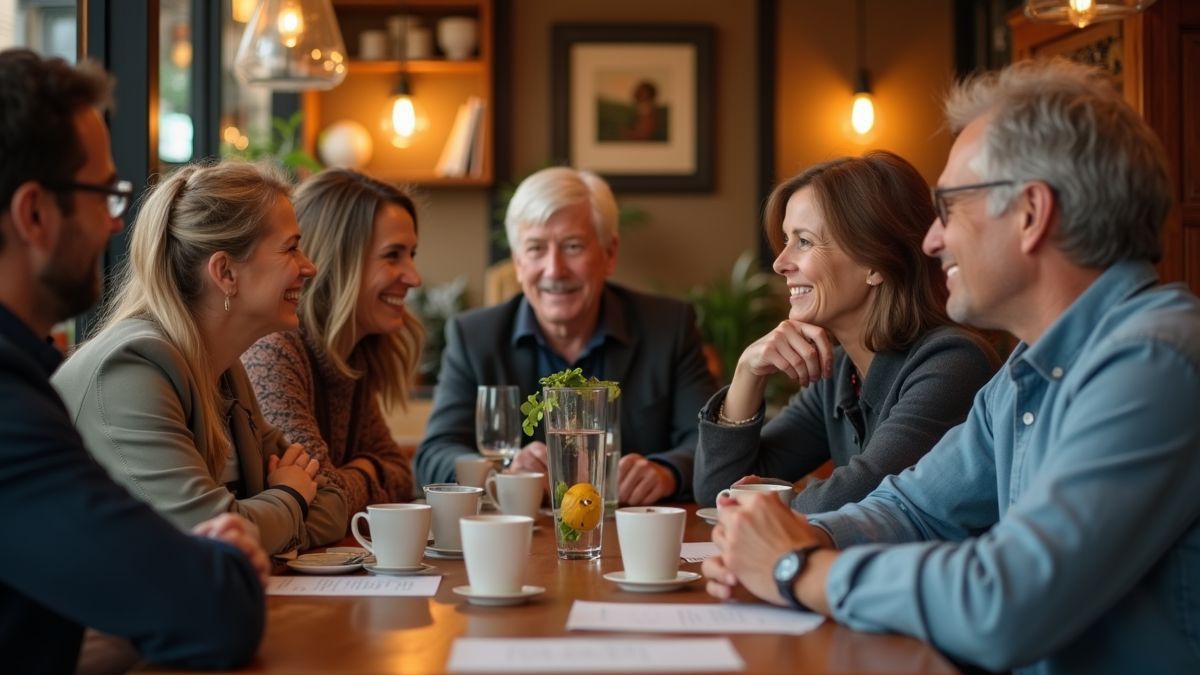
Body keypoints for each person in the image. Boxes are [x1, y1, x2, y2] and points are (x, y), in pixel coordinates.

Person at [703, 58, 1200, 674]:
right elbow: (914, 507)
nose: (932, 242)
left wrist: (797, 567)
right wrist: (797, 539)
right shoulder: (1026, 371)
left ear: (1030, 212)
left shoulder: (1155, 361)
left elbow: (1006, 602)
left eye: (951, 208)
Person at [0, 48, 266, 671]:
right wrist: (222, 561)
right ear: (34, 214)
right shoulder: (9, 404)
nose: (117, 225)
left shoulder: (29, 373)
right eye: (104, 195)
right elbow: (212, 613)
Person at [53, 160, 347, 555]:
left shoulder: (226, 373)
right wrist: (291, 497)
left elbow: (331, 501)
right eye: (292, 248)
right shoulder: (131, 368)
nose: (309, 267)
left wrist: (266, 518)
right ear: (225, 271)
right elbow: (209, 536)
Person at [693, 151, 998, 511]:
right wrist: (747, 371)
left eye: (803, 241)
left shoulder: (951, 363)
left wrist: (764, 504)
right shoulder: (839, 372)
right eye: (786, 239)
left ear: (874, 262)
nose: (780, 262)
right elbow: (716, 492)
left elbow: (867, 492)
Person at [416, 166, 718, 505]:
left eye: (573, 246)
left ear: (609, 254)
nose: (554, 270)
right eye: (535, 249)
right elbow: (433, 454)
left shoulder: (668, 326)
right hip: (518, 540)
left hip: (632, 534)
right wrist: (500, 474)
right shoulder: (473, 337)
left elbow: (708, 443)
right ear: (517, 262)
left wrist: (667, 471)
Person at [243, 168, 422, 516]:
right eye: (392, 255)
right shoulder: (275, 352)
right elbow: (322, 501)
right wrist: (370, 469)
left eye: (412, 254)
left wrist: (359, 472)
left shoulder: (352, 354)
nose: (414, 277)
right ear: (337, 260)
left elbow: (401, 475)